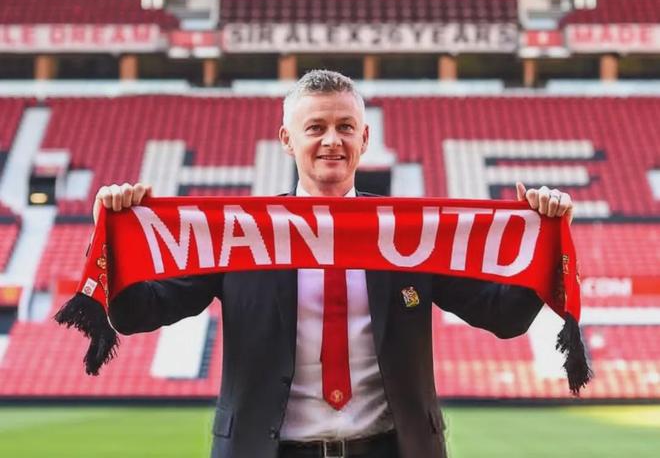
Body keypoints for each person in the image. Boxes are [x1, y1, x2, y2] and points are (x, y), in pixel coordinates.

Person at [93, 70, 575, 458]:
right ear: (287, 139)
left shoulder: (408, 231)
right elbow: (139, 314)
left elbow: (504, 317)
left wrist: (546, 240)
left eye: (345, 127)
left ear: (364, 138)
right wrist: (113, 239)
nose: (332, 140)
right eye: (316, 128)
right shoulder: (242, 232)